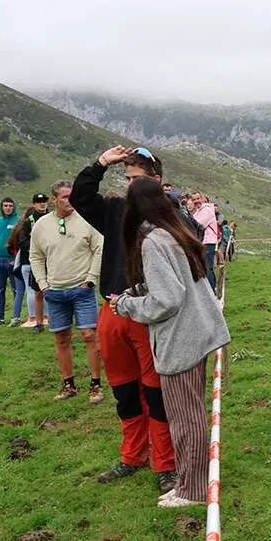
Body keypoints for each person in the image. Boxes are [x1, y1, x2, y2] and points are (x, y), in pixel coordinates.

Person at [111, 177, 230, 508]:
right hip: (199, 331)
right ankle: (194, 478)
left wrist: (127, 305)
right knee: (190, 412)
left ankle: (192, 490)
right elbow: (179, 284)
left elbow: (167, 300)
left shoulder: (152, 241)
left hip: (182, 340)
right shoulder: (175, 231)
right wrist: (137, 292)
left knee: (184, 417)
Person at [70, 145, 178, 494]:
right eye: (127, 178)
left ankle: (165, 464)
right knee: (125, 391)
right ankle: (133, 456)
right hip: (112, 310)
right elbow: (80, 197)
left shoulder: (169, 216)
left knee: (156, 391)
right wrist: (101, 163)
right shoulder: (115, 210)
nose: (130, 185)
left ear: (157, 181)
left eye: (137, 179)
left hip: (148, 313)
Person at [30, 181, 104, 403]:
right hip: (55, 291)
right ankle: (68, 384)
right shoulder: (42, 225)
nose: (69, 200)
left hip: (82, 288)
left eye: (71, 196)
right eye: (64, 197)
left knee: (89, 335)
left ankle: (95, 385)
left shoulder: (86, 219)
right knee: (61, 338)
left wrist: (91, 279)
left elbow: (100, 247)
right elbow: (36, 256)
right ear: (55, 200)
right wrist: (43, 284)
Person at [0, 197, 22, 326]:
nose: (8, 208)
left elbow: (20, 241)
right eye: (5, 205)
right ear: (2, 207)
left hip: (12, 261)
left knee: (16, 290)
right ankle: (0, 317)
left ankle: (16, 317)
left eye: (10, 205)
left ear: (13, 207)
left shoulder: (19, 220)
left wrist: (16, 259)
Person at [20, 193, 50, 331]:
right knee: (38, 291)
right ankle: (38, 322)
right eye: (39, 202)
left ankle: (53, 319)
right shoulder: (29, 221)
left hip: (53, 259)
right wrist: (36, 249)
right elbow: (23, 240)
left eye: (44, 201)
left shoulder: (54, 217)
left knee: (55, 290)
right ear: (34, 204)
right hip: (38, 260)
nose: (42, 204)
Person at [190, 193, 220, 291]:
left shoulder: (206, 210)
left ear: (202, 199)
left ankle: (211, 291)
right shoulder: (198, 211)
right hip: (204, 241)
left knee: (207, 268)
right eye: (194, 199)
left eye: (198, 198)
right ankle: (213, 288)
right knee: (207, 267)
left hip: (207, 241)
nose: (196, 201)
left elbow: (198, 224)